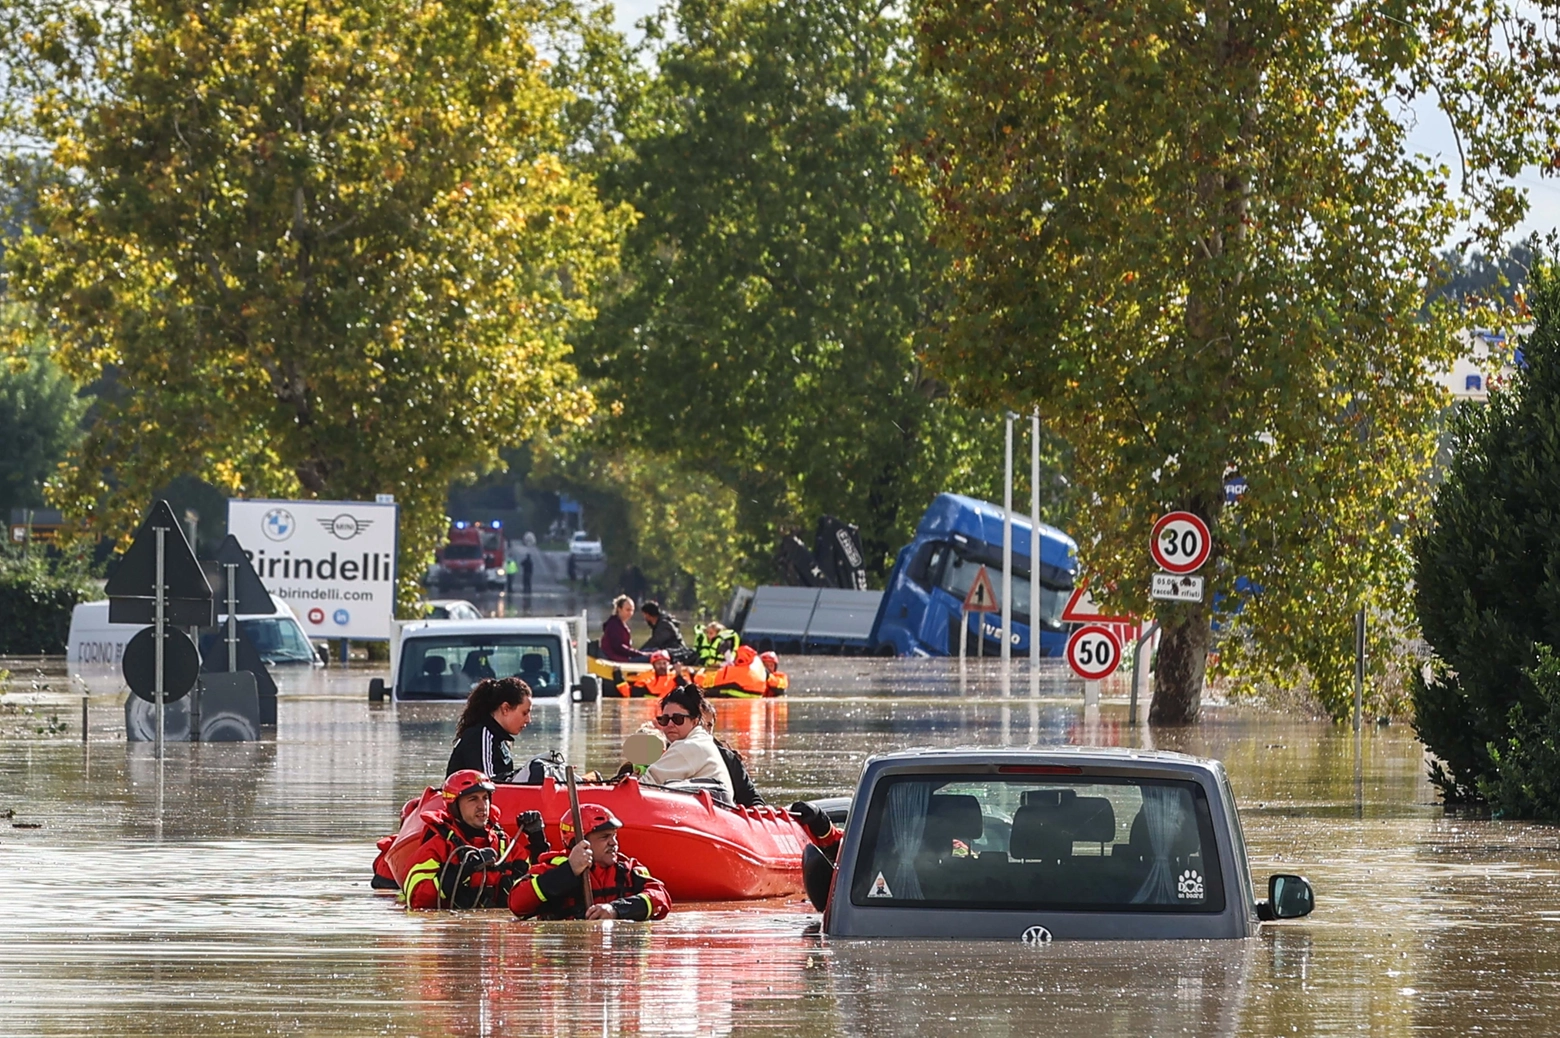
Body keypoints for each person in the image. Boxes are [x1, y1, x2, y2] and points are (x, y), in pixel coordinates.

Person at [391, 769, 551, 910]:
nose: (482, 806)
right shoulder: (438, 847)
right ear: (454, 805)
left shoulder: (503, 844)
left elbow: (537, 887)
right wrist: (461, 871)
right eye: (473, 799)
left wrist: (537, 841)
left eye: (485, 798)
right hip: (455, 936)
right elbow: (416, 898)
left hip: (497, 937)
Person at [508, 804, 672, 921]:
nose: (613, 843)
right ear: (580, 842)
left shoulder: (627, 869)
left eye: (614, 836)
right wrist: (569, 871)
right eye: (604, 837)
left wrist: (617, 909)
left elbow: (661, 897)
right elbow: (517, 903)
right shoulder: (553, 868)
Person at [642, 685, 735, 800]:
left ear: (695, 721)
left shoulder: (690, 746)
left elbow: (644, 785)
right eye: (665, 719)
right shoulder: (703, 741)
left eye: (678, 719)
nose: (670, 724)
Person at [446, 677, 532, 784]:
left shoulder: (500, 740)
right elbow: (488, 784)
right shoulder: (480, 736)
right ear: (505, 708)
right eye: (524, 713)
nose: (528, 719)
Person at [701, 700, 764, 808]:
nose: (705, 730)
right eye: (700, 724)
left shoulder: (727, 758)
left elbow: (752, 799)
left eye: (709, 725)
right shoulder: (668, 751)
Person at [696, 644, 770, 697]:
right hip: (757, 696)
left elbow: (702, 681)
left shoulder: (733, 672)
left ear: (740, 658)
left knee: (702, 691)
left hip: (739, 695)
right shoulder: (759, 665)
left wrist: (697, 674)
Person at [614, 650, 687, 698]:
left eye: (664, 663)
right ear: (653, 665)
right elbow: (629, 693)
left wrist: (679, 676)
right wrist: (617, 675)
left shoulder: (676, 677)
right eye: (658, 663)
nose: (662, 666)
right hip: (648, 712)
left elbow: (690, 694)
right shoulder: (646, 678)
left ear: (668, 664)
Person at [600, 594, 650, 663]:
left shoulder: (620, 624)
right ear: (619, 609)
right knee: (650, 658)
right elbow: (618, 648)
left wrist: (640, 653)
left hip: (624, 657)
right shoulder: (613, 625)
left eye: (632, 610)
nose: (630, 613)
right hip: (616, 659)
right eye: (628, 610)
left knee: (654, 651)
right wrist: (640, 654)